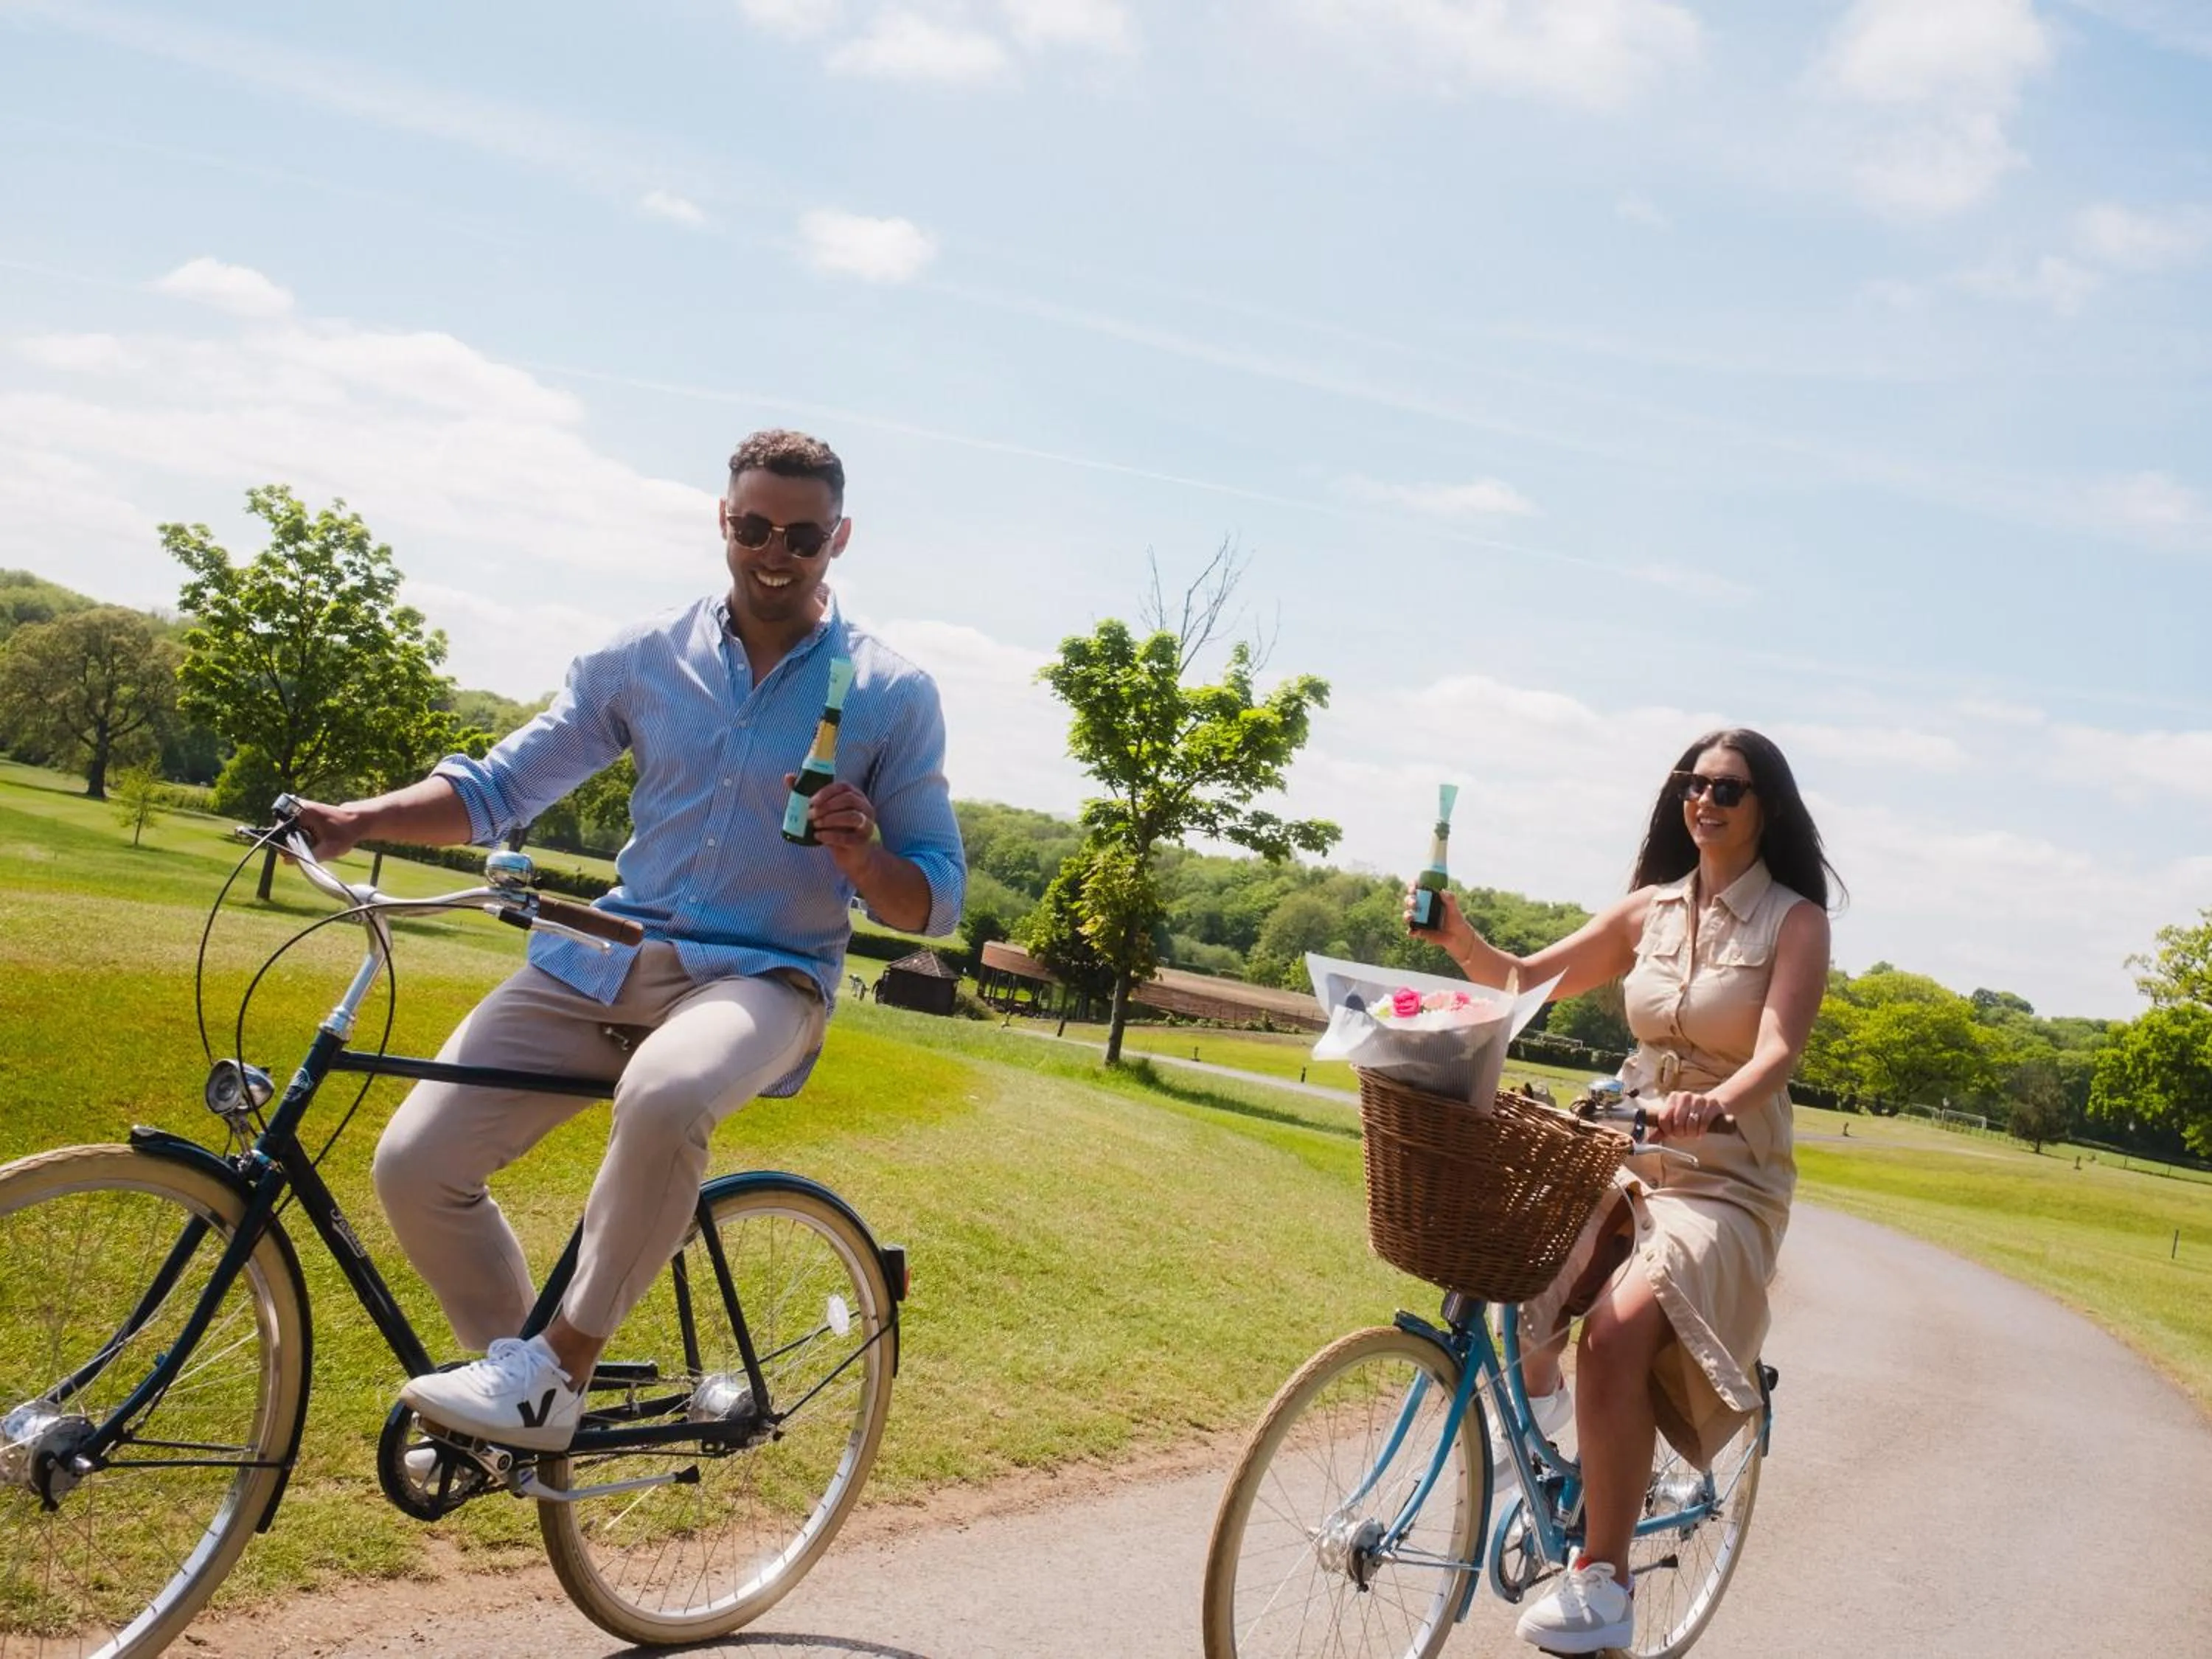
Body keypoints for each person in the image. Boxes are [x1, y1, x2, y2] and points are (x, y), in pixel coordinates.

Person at [292, 429, 965, 1451]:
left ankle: (560, 1368)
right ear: (723, 519)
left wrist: (864, 858)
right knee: (413, 1162)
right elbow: (500, 786)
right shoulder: (645, 656)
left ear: (840, 539)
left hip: (763, 977)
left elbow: (938, 900)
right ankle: (518, 1395)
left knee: (668, 1091)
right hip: (610, 951)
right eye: (753, 526)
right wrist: (359, 819)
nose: (774, 552)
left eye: (803, 534)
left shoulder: (889, 692)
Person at [1408, 728, 1835, 1655]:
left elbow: (1776, 1053)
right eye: (1693, 784)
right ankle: (1566, 1440)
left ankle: (1602, 1582)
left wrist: (1710, 1104)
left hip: (1726, 1179)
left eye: (1727, 787)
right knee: (1518, 1266)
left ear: (1765, 807)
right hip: (1626, 1148)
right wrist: (1457, 939)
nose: (1705, 801)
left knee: (1614, 1332)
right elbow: (1524, 981)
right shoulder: (1649, 911)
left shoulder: (1795, 922)